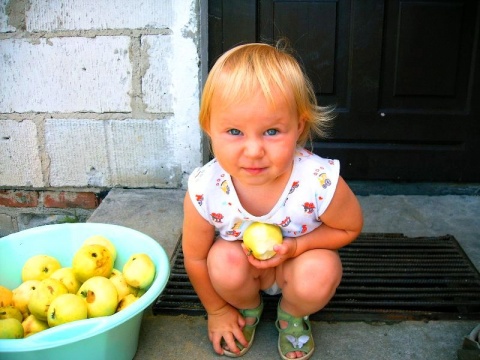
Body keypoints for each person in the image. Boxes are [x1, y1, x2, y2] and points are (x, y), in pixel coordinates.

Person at [182, 41, 363, 360]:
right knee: (220, 261)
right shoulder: (205, 188)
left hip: (299, 264)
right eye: (235, 131)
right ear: (209, 127)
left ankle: (292, 314)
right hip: (243, 272)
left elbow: (349, 228)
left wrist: (297, 247)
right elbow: (195, 258)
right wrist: (217, 310)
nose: (253, 151)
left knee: (322, 270)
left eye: (271, 131)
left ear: (298, 127)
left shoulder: (317, 181)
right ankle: (247, 307)